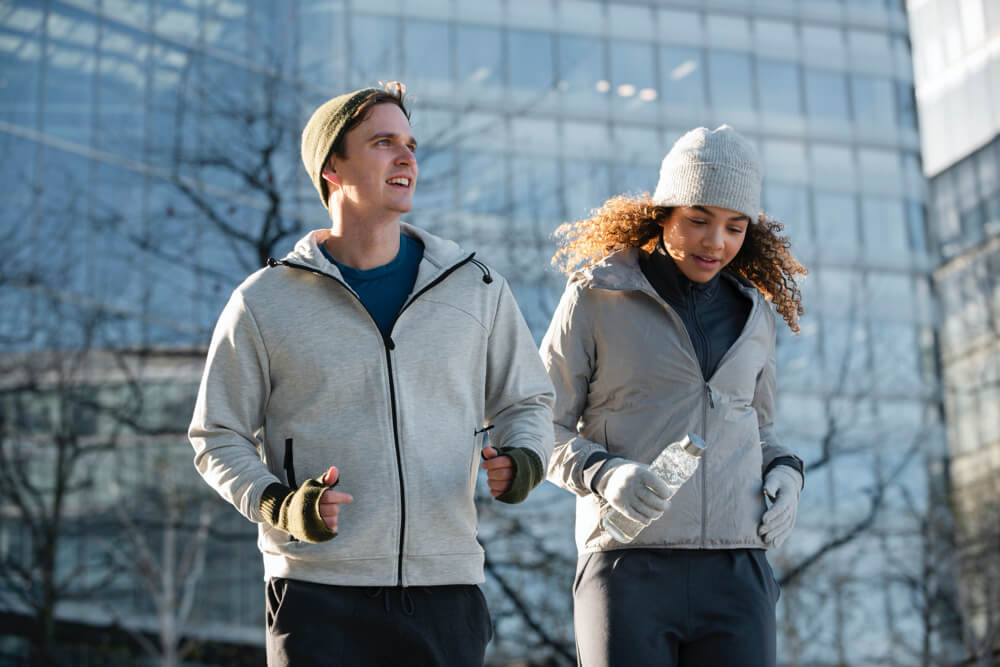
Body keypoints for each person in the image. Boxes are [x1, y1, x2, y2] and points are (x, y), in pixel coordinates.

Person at [188, 82, 554, 666]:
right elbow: (216, 436)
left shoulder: (475, 288)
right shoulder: (264, 301)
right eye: (383, 142)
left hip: (445, 590)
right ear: (333, 166)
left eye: (410, 144)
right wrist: (278, 504)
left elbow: (528, 402)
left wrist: (525, 458)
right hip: (316, 595)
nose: (407, 157)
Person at [541, 125, 807, 667]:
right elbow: (537, 425)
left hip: (739, 571)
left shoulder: (755, 315)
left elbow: (762, 431)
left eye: (735, 228)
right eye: (699, 220)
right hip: (627, 567)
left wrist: (788, 473)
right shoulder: (597, 295)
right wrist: (604, 473)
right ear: (662, 213)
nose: (716, 242)